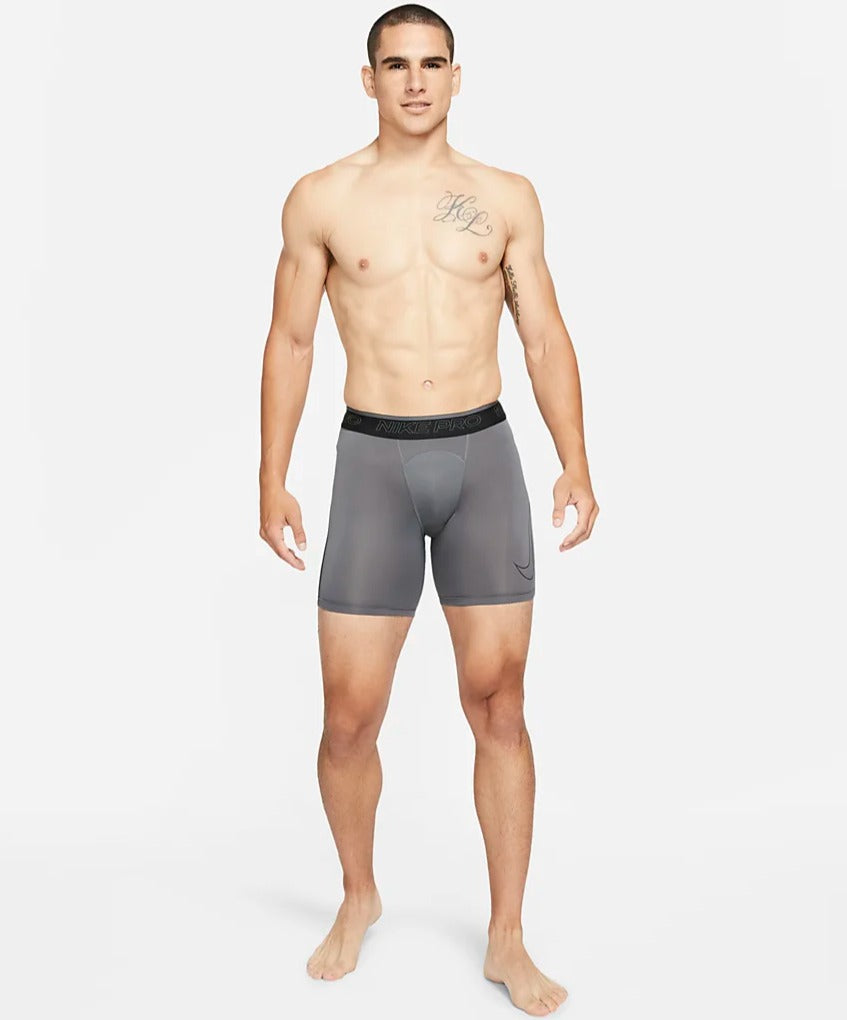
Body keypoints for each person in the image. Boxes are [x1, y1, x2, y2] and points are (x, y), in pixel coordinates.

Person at [258, 4, 598, 1015]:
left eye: (432, 63)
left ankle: (506, 935)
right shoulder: (322, 197)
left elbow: (543, 335)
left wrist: (575, 460)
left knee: (499, 704)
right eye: (396, 64)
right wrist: (270, 476)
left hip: (480, 458)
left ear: (457, 76)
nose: (415, 80)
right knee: (348, 719)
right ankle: (358, 894)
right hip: (372, 460)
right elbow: (290, 341)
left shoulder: (504, 197)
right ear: (368, 79)